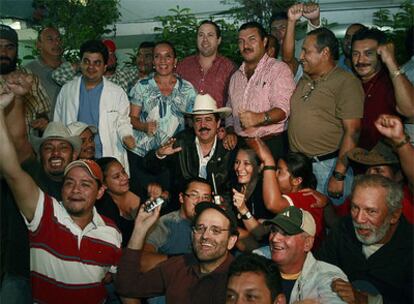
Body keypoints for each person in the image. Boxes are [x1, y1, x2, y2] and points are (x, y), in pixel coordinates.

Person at [0, 85, 122, 304]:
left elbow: (109, 262)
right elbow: (13, 158)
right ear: (39, 153)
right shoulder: (39, 193)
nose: (76, 189)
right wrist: (10, 104)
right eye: (48, 147)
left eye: (85, 184)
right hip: (19, 270)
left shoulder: (104, 220)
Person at [288, 27, 364, 204]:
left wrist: (339, 175)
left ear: (325, 53)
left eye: (306, 51)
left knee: (333, 223)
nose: (301, 56)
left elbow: (353, 131)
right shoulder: (305, 79)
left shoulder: (346, 82)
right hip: (300, 168)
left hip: (327, 167)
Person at [115, 201, 239, 303]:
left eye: (215, 230)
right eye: (200, 228)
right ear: (192, 234)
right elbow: (127, 287)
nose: (205, 236)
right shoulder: (179, 266)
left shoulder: (239, 279)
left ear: (231, 241)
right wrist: (139, 230)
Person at [317, 174, 413, 303]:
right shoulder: (343, 229)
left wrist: (367, 300)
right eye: (355, 207)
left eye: (371, 211)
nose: (359, 219)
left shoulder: (410, 246)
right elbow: (319, 270)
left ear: (394, 215)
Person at [54, 39, 135, 174]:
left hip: (106, 156)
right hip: (75, 157)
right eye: (86, 62)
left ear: (104, 66)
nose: (91, 67)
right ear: (80, 64)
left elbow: (123, 121)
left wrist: (127, 136)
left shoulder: (117, 92)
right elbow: (58, 123)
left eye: (97, 63)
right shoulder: (67, 90)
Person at [144, 94, 236, 209]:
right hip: (183, 209)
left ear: (217, 123)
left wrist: (224, 202)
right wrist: (160, 154)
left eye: (208, 119)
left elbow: (233, 186)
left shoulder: (227, 147)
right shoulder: (181, 142)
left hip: (216, 210)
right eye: (198, 120)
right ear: (192, 124)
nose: (203, 125)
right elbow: (149, 166)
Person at [234, 138, 326, 250]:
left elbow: (272, 205)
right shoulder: (286, 200)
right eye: (275, 169)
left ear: (296, 181)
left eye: (279, 171)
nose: (274, 175)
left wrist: (268, 161)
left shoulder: (303, 197)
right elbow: (260, 231)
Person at [224, 22, 295, 160]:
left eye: (252, 39)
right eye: (241, 41)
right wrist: (230, 131)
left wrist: (259, 118)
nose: (246, 46)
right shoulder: (235, 77)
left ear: (264, 41)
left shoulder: (278, 69)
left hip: (271, 144)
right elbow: (229, 111)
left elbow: (284, 110)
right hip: (241, 147)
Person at [141, 178, 212, 304]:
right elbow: (143, 262)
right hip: (169, 290)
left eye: (205, 197)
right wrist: (186, 260)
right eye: (194, 195)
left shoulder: (213, 223)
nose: (200, 202)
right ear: (181, 198)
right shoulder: (166, 223)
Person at [260, 206, 348, 303]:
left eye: (286, 233)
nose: (275, 238)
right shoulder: (258, 259)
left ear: (307, 243)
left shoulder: (327, 276)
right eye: (273, 230)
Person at [0, 24, 50, 162]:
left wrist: (43, 121)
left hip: (25, 159)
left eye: (9, 47)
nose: (3, 53)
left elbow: (43, 112)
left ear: (17, 50)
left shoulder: (28, 77)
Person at [351, 27, 400, 150]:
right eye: (356, 54)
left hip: (386, 163)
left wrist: (391, 62)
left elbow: (410, 110)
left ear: (380, 55)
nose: (360, 60)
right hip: (355, 162)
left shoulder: (391, 83)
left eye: (368, 54)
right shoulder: (349, 83)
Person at [176, 20, 236, 108]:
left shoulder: (230, 68)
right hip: (188, 121)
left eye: (210, 35)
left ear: (218, 40)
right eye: (201, 35)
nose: (205, 39)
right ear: (196, 39)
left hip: (219, 121)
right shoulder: (183, 66)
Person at [52, 39, 139, 93]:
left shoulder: (123, 74)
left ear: (116, 58)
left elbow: (144, 70)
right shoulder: (84, 79)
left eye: (111, 54)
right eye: (105, 55)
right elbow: (57, 75)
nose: (109, 57)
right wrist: (84, 63)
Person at [95, 157, 141, 247]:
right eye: (116, 177)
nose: (124, 177)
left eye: (123, 172)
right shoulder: (105, 210)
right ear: (104, 184)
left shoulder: (137, 186)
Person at [25, 26, 63, 118]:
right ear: (38, 44)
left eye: (58, 39)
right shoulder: (28, 71)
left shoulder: (72, 69)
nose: (56, 43)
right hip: (41, 129)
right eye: (50, 39)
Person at [280, 3, 321, 82]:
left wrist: (314, 21)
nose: (302, 56)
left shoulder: (301, 45)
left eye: (283, 27)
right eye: (274, 29)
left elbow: (288, 59)